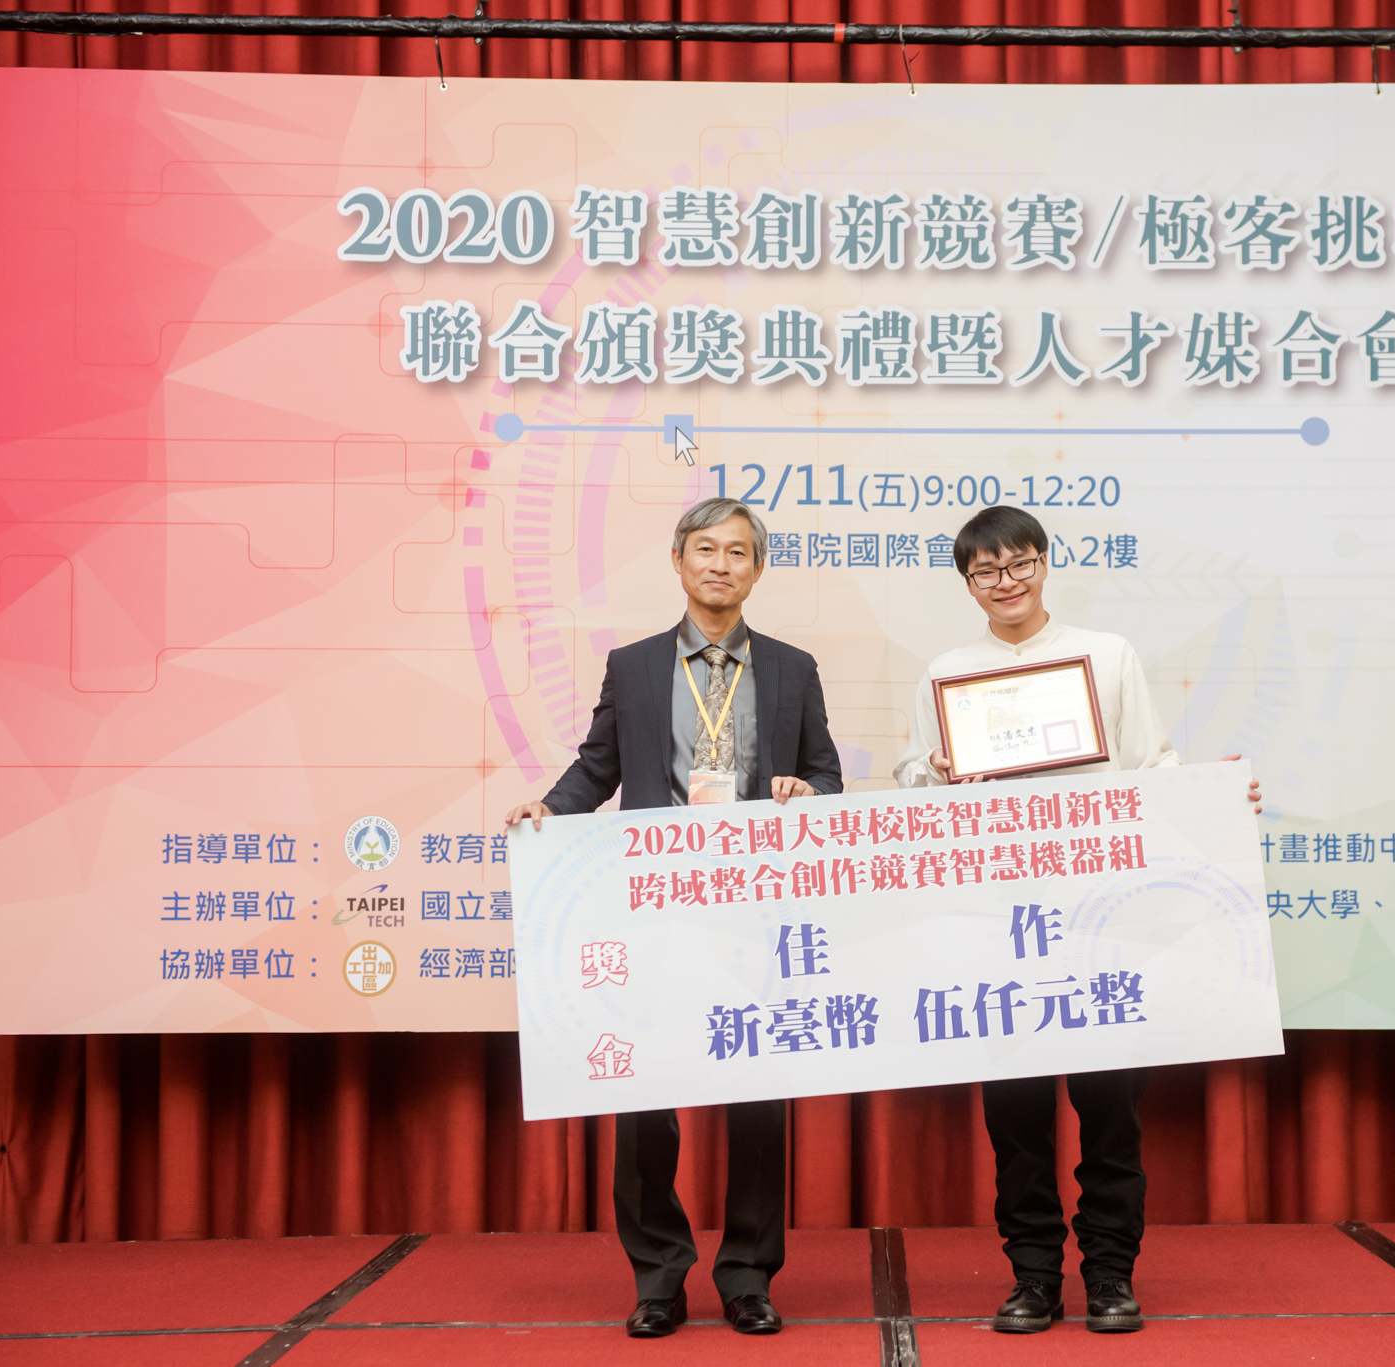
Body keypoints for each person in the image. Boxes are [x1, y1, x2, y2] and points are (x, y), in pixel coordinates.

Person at [894, 505, 1259, 1336]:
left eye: (1019, 563)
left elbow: (1152, 767)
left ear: (1044, 562)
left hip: (1102, 917)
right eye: (986, 571)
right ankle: (1032, 1278)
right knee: (1016, 1117)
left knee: (1110, 1111)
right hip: (998, 918)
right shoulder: (948, 671)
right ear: (968, 584)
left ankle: (1109, 1275)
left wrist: (1217, 799)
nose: (1006, 581)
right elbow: (913, 779)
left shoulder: (1106, 654)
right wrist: (937, 769)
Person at [505, 497, 842, 1339]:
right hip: (653, 907)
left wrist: (807, 791)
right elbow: (598, 767)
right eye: (706, 549)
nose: (721, 564)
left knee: (758, 1100)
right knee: (646, 1097)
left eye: (738, 552)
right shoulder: (635, 666)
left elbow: (826, 776)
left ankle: (749, 1276)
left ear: (757, 569)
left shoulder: (793, 667)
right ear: (678, 560)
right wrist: (549, 809)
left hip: (756, 910)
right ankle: (658, 1276)